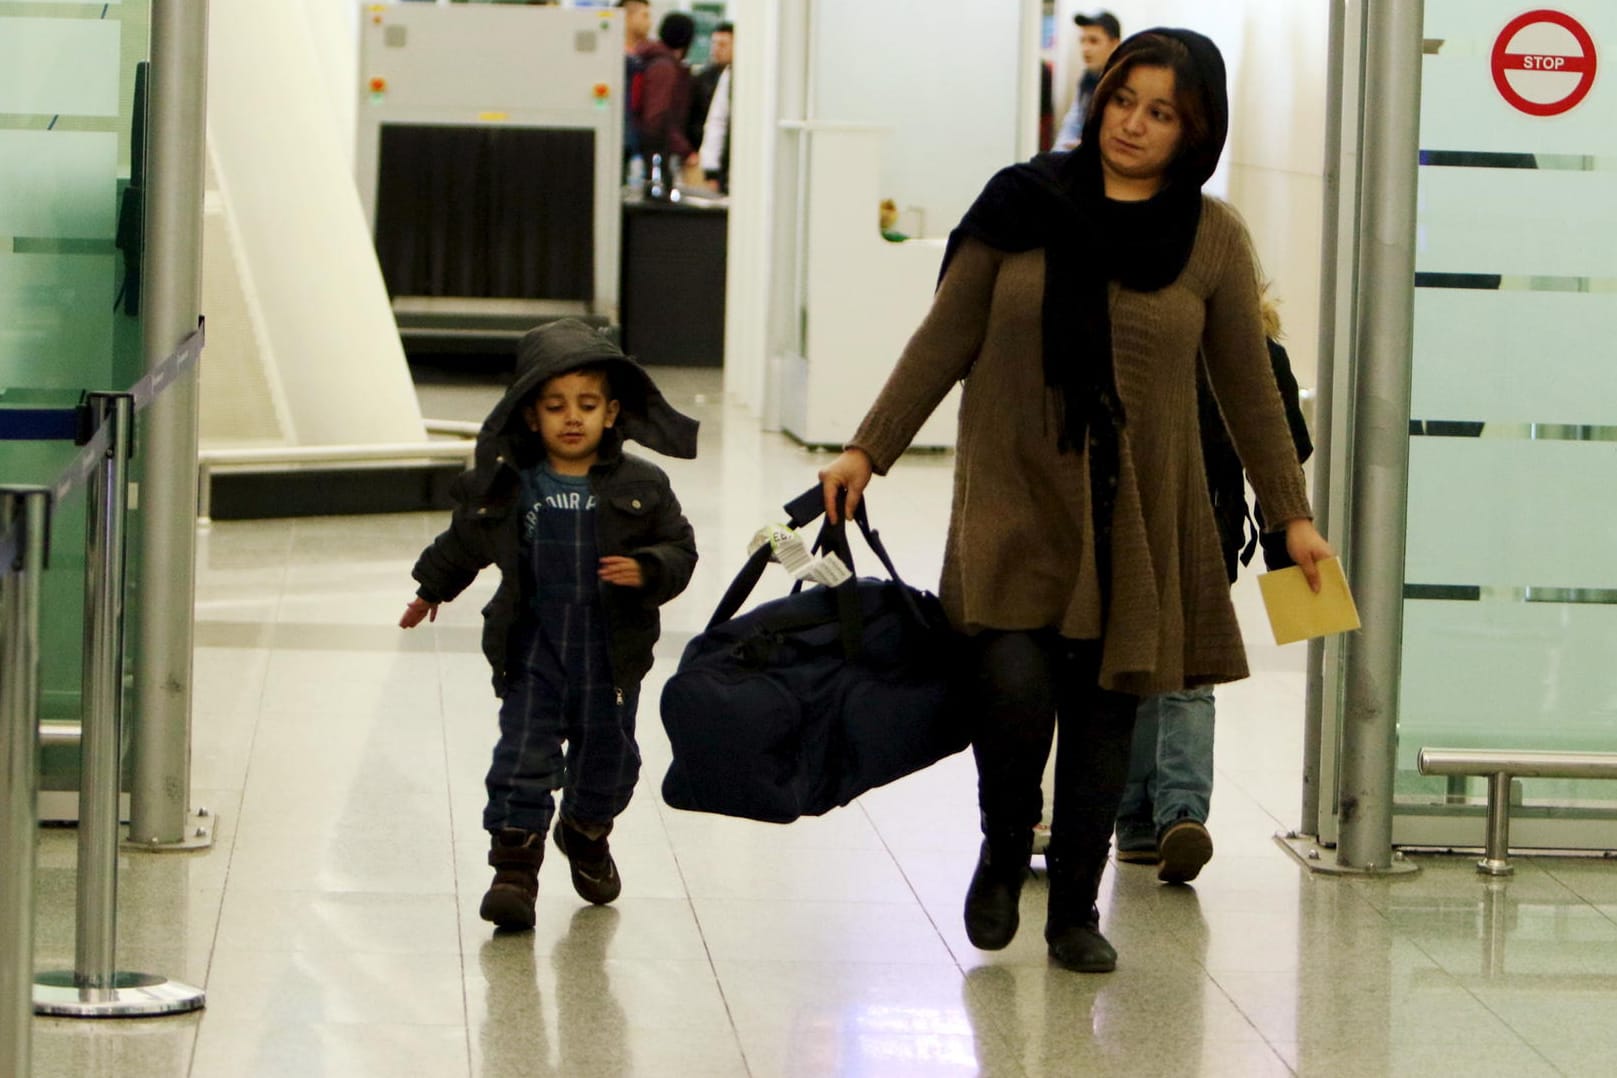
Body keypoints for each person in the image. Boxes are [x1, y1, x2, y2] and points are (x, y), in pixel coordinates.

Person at [817, 29, 1332, 974]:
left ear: (1195, 131)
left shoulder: (1209, 236)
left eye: (1160, 112)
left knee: (1103, 714)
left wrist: (1288, 513)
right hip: (1015, 489)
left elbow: (1249, 388)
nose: (1131, 125)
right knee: (1009, 686)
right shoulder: (1021, 203)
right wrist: (866, 447)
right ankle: (1005, 846)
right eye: (1122, 99)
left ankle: (1076, 913)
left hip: (1136, 507)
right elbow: (946, 336)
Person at [401, 319, 699, 932]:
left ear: (613, 412)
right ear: (530, 416)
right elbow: (466, 539)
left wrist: (647, 569)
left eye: (587, 405)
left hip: (610, 655)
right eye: (555, 406)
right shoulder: (511, 486)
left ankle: (586, 831)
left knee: (608, 762)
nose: (572, 418)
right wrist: (432, 587)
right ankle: (514, 871)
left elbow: (680, 549)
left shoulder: (643, 485)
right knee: (521, 759)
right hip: (534, 650)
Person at [1114, 289, 1315, 884]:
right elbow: (1286, 453)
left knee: (1146, 670)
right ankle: (1171, 817)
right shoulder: (1256, 349)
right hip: (1206, 530)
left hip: (1148, 527)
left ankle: (1151, 821)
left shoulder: (1140, 331)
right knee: (1182, 674)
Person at [635, 12, 698, 190]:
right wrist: (684, 149)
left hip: (650, 152)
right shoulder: (665, 68)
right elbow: (658, 115)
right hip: (657, 155)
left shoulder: (652, 60)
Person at [1054, 11, 1122, 151]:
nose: (1085, 48)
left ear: (1115, 44)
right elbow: (1072, 123)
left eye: (1093, 41)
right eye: (1082, 41)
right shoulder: (1087, 79)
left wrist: (1088, 146)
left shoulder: (1125, 83)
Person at [686, 21, 732, 158]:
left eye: (723, 44)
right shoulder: (702, 79)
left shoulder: (741, 80)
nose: (716, 49)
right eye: (714, 43)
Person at [620, 0, 654, 170]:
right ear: (627, 17)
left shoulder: (649, 57)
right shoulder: (613, 58)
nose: (650, 22)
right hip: (620, 138)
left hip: (639, 140)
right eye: (645, 16)